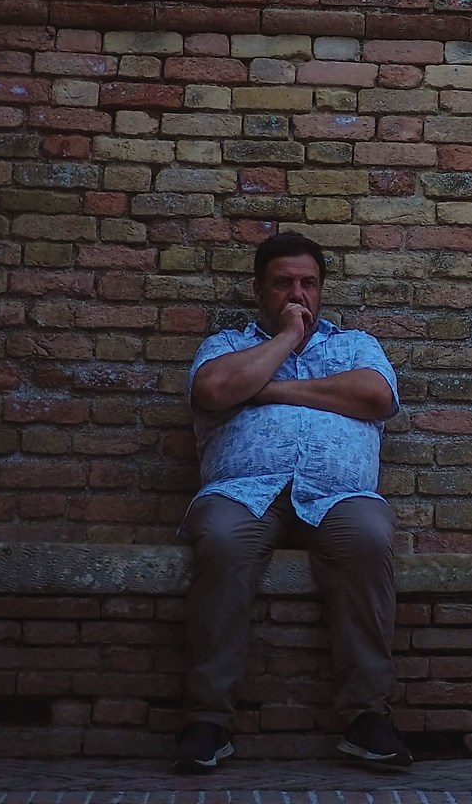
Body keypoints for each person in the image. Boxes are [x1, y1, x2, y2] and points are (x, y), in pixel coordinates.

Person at [173, 232, 412, 774]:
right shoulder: (227, 346)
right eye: (283, 284)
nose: (297, 294)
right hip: (243, 493)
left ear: (323, 289)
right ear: (260, 289)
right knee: (223, 542)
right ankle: (208, 721)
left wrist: (269, 389)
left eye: (308, 284)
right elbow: (212, 391)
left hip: (338, 496)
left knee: (371, 539)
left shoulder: (355, 346)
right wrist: (285, 339)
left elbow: (376, 397)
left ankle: (366, 719)